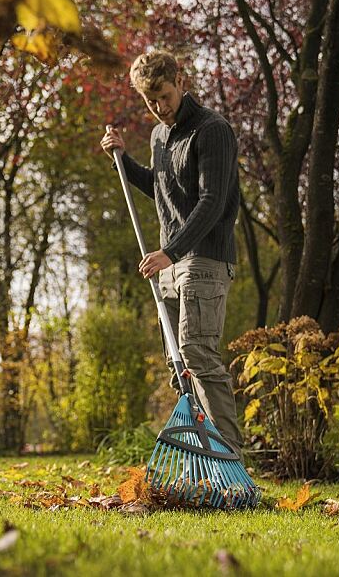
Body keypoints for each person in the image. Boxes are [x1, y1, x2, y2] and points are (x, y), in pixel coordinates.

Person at [100, 49, 243, 456]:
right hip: (171, 263)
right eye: (151, 101)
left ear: (181, 81)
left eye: (164, 95)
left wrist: (171, 250)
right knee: (178, 366)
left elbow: (212, 202)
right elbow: (158, 188)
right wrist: (121, 159)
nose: (160, 107)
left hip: (204, 257)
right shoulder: (160, 136)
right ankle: (204, 453)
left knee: (198, 354)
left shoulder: (212, 130)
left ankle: (230, 457)